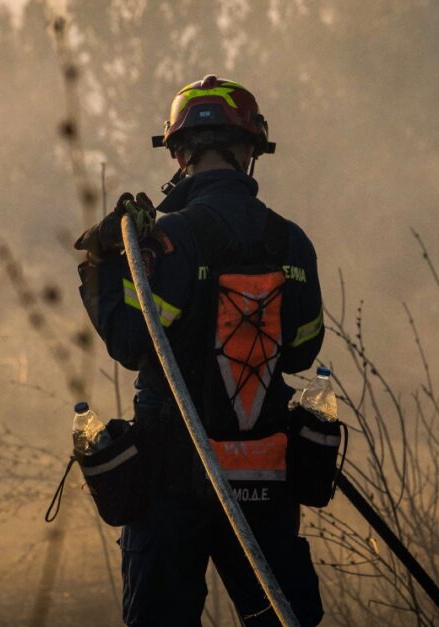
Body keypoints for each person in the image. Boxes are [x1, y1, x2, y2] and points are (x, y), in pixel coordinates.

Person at [74, 75, 326, 626]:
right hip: (264, 480)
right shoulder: (292, 242)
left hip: (170, 484)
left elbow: (133, 343)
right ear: (249, 151)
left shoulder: (169, 240)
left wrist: (102, 267)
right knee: (282, 617)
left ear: (180, 152)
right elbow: (304, 351)